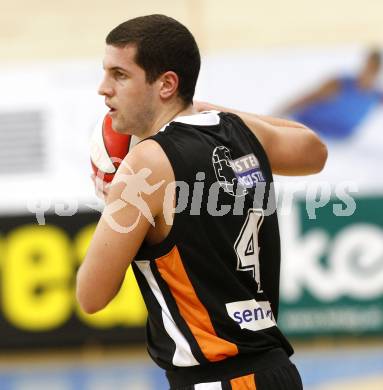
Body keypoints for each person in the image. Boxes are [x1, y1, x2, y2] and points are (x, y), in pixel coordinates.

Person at [76, 14, 327, 389]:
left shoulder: (145, 164)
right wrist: (212, 110)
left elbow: (91, 295)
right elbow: (314, 150)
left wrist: (116, 202)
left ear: (166, 84)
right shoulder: (239, 131)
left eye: (120, 74)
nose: (103, 88)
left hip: (216, 379)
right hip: (276, 372)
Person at [279, 50, 383, 140]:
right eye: (368, 67)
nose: (369, 73)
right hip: (308, 128)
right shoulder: (340, 84)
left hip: (338, 139)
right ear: (364, 65)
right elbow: (306, 98)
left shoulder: (376, 95)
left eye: (374, 69)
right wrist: (280, 114)